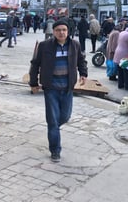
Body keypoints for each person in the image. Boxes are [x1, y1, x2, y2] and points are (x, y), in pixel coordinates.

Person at [29, 19, 87, 162]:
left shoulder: (75, 45)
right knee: (53, 121)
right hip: (51, 88)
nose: (61, 32)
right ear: (53, 32)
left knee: (65, 117)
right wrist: (33, 83)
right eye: (58, 30)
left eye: (64, 30)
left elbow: (81, 60)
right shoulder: (44, 46)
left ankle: (53, 128)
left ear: (68, 32)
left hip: (67, 88)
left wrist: (84, 73)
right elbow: (35, 64)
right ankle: (55, 150)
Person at [113, 26, 128, 90]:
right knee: (126, 71)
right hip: (124, 54)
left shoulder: (121, 33)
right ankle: (127, 86)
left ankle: (120, 84)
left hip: (118, 52)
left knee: (120, 70)